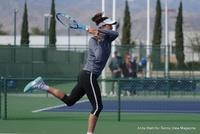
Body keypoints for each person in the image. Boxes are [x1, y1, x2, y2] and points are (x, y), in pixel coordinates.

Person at [23, 12, 118, 134]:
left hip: (88, 75)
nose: (111, 27)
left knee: (69, 101)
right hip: (88, 75)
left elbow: (116, 33)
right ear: (103, 26)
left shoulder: (109, 38)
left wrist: (98, 32)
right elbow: (99, 57)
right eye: (109, 25)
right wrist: (98, 37)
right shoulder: (93, 41)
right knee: (98, 107)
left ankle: (41, 85)